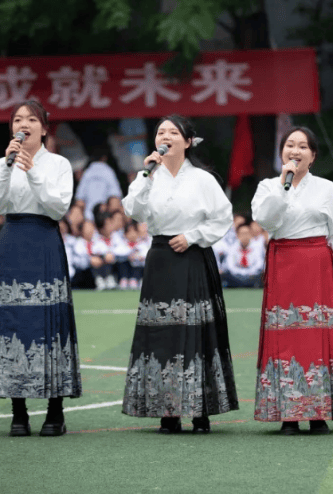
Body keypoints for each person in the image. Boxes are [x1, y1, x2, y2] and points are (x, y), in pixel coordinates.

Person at [121, 114, 238, 434]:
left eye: (174, 132)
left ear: (188, 142)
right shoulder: (149, 175)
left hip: (192, 256)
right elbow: (133, 209)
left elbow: (223, 216)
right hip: (160, 258)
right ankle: (167, 412)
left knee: (197, 334)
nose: (166, 136)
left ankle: (201, 412)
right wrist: (145, 175)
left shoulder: (202, 179)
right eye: (161, 132)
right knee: (161, 335)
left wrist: (194, 236)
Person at [0, 100, 82, 437]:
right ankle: (17, 411)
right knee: (11, 324)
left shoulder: (59, 164)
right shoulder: (0, 164)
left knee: (48, 323)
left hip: (45, 241)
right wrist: (8, 166)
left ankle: (55, 411)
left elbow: (58, 205)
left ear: (45, 127)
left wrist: (32, 168)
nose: (24, 124)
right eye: (18, 119)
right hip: (11, 242)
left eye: (31, 119)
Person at [251, 125, 333, 435]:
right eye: (289, 145)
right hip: (283, 262)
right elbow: (266, 220)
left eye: (302, 147)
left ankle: (319, 413)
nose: (294, 151)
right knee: (284, 337)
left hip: (318, 265)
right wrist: (284, 186)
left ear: (313, 155)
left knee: (316, 337)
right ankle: (288, 415)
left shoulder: (327, 188)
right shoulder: (269, 186)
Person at [75, 149, 123, 220]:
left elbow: (79, 199)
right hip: (105, 217)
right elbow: (115, 197)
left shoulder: (87, 173)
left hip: (88, 217)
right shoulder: (108, 172)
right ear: (104, 158)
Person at [220, 222, 265, 288]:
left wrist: (248, 273)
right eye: (242, 234)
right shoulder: (232, 247)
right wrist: (241, 273)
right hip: (235, 276)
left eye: (247, 233)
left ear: (251, 234)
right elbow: (230, 266)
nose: (245, 236)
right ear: (237, 235)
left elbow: (259, 264)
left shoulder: (257, 247)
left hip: (252, 275)